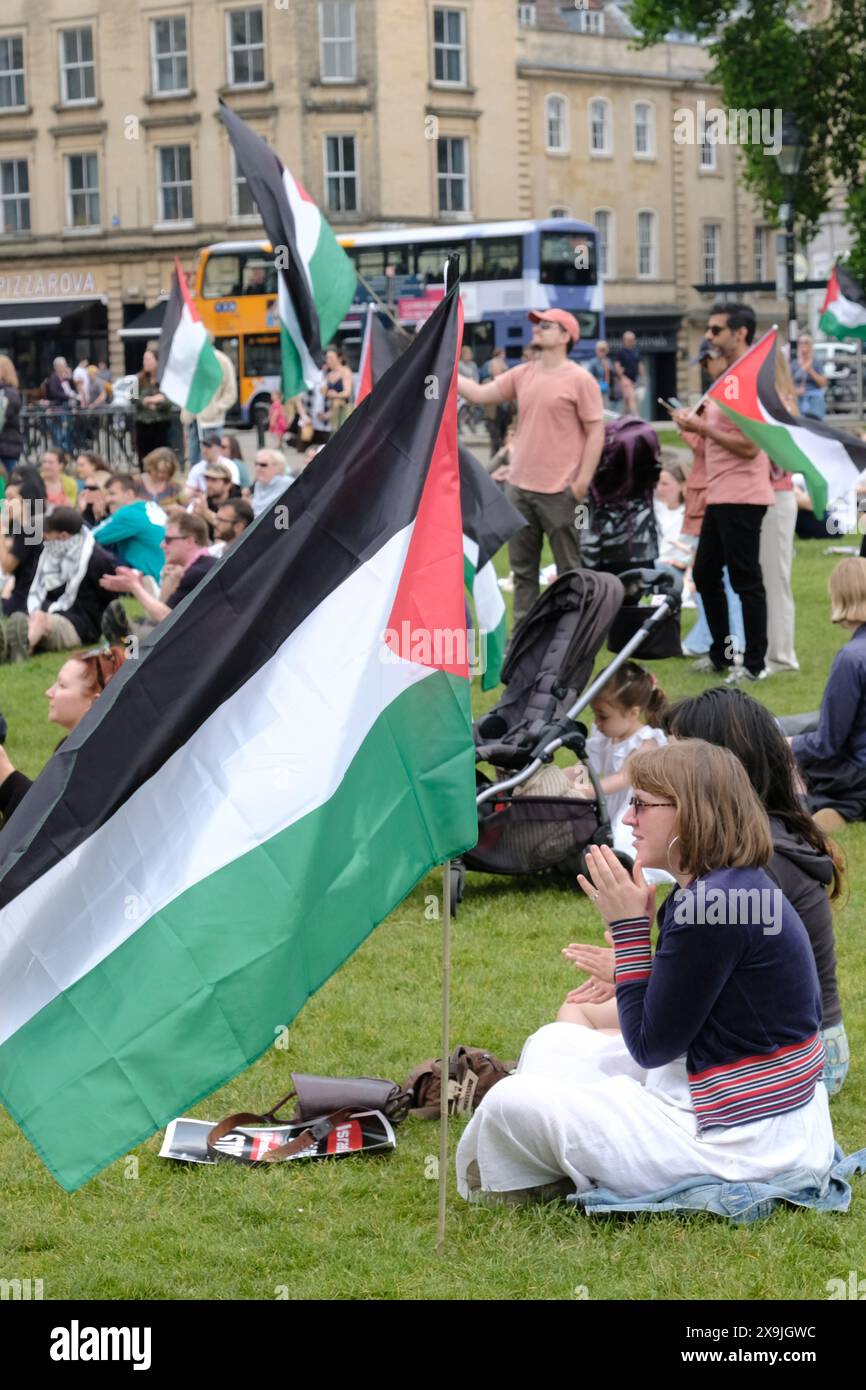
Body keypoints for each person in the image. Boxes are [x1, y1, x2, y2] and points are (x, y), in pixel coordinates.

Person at [457, 740, 835, 1206]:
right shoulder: (725, 888)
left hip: (742, 1138)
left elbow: (651, 1046)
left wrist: (629, 931)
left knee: (507, 1103)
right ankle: (562, 1162)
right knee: (551, 1043)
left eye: (640, 804)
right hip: (756, 1108)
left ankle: (545, 1175)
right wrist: (632, 958)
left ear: (691, 812)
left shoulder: (710, 905)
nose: (628, 819)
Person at [660, 687, 849, 1095]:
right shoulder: (753, 839)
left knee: (592, 1029)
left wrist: (635, 963)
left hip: (796, 1058)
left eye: (673, 761)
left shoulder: (755, 862)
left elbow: (683, 1011)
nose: (660, 774)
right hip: (796, 1041)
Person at [456, 308, 605, 630]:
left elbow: (596, 431)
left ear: (565, 336)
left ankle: (570, 637)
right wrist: (446, 369)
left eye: (546, 326)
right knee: (523, 573)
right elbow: (480, 395)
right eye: (537, 325)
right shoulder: (523, 373)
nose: (537, 330)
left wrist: (581, 483)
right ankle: (522, 639)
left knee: (569, 572)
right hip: (520, 489)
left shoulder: (581, 379)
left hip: (561, 492)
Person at [671, 302, 773, 683]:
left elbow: (750, 446)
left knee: (745, 579)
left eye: (716, 330)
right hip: (720, 493)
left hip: (742, 494)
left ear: (740, 333)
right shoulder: (727, 378)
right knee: (705, 573)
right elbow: (717, 436)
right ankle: (722, 654)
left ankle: (754, 664)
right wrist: (693, 424)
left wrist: (702, 429)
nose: (709, 335)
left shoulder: (747, 379)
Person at [781, 557, 866, 830]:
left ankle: (811, 807)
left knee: (783, 758)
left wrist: (785, 744)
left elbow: (827, 743)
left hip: (856, 770)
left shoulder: (851, 658)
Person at [0, 645, 127, 825]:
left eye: (62, 685)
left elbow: (49, 828)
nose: (49, 692)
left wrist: (6, 776)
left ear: (94, 702)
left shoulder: (90, 762)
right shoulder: (84, 748)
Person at [563, 661, 669, 877]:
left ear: (633, 713)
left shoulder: (645, 741)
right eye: (595, 715)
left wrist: (586, 791)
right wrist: (564, 779)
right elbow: (587, 765)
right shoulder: (606, 735)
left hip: (635, 808)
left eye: (603, 716)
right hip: (611, 804)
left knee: (621, 842)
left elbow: (624, 778)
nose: (597, 722)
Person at [677, 339, 745, 654]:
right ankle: (716, 641)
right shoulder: (716, 395)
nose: (705, 369)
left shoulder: (727, 394)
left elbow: (720, 446)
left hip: (715, 491)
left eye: (707, 362)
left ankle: (727, 641)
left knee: (722, 575)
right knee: (707, 573)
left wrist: (693, 429)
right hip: (706, 489)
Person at [0, 507, 117, 662]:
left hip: (80, 627)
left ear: (63, 536)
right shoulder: (50, 553)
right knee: (26, 619)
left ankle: (16, 653)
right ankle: (16, 645)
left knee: (39, 619)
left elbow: (110, 601)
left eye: (47, 532)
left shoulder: (97, 559)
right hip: (49, 615)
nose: (43, 535)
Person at [100, 511, 216, 641]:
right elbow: (161, 611)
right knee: (124, 615)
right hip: (196, 638)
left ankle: (126, 653)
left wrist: (134, 586)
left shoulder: (199, 572)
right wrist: (169, 580)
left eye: (168, 540)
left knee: (128, 627)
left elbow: (165, 619)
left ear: (190, 541)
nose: (162, 545)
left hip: (198, 641)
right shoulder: (203, 565)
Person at [759, 348, 800, 673]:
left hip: (777, 494)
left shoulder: (781, 403)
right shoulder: (776, 401)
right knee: (765, 578)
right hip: (765, 494)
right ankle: (770, 651)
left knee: (776, 578)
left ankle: (782, 655)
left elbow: (781, 456)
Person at [90, 473, 166, 584]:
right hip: (161, 577)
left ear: (129, 494)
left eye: (112, 494)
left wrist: (90, 516)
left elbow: (88, 539)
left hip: (147, 578)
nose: (107, 500)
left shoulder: (129, 512)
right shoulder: (151, 507)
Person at [181, 345, 237, 466]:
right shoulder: (189, 360)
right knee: (194, 460)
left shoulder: (222, 360)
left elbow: (231, 393)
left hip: (211, 420)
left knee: (212, 460)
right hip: (192, 418)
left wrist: (215, 408)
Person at [1, 467, 45, 616]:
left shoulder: (30, 530)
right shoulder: (29, 525)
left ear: (26, 501)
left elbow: (7, 566)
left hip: (24, 602)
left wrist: (1, 530)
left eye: (10, 498)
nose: (5, 503)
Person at [652, 459, 688, 585]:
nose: (659, 488)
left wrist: (684, 563)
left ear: (681, 486)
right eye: (657, 483)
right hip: (654, 566)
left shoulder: (688, 515)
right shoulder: (653, 510)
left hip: (676, 571)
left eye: (665, 484)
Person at [188, 461, 241, 540]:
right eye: (207, 479)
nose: (208, 484)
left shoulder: (238, 504)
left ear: (227, 484)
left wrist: (205, 512)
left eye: (214, 480)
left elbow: (231, 532)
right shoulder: (205, 500)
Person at [135, 348, 173, 459]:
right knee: (144, 456)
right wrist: (149, 400)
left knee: (161, 455)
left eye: (148, 359)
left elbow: (169, 400)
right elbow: (133, 398)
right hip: (143, 423)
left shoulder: (166, 378)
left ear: (157, 361)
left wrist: (155, 401)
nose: (145, 362)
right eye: (144, 359)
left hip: (161, 423)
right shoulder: (139, 379)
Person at [186, 430, 241, 495]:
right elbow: (189, 489)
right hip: (204, 499)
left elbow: (234, 489)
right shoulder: (197, 467)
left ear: (218, 448)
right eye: (203, 446)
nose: (204, 450)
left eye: (208, 446)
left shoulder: (229, 465)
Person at [792, 334, 828, 422]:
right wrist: (796, 391)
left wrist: (810, 371)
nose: (803, 345)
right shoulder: (794, 364)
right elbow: (787, 383)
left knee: (816, 420)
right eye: (800, 343)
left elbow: (823, 384)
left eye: (806, 342)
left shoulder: (817, 362)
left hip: (814, 397)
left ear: (811, 345)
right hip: (798, 397)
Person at [250, 448, 293, 517]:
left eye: (263, 465)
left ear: (278, 466)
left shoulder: (286, 483)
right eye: (256, 464)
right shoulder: (259, 484)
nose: (258, 468)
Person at [320, 346, 354, 435]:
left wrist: (336, 394)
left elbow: (347, 392)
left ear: (339, 358)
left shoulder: (345, 371)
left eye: (331, 358)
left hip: (343, 410)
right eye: (327, 358)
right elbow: (322, 393)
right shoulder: (328, 374)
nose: (328, 361)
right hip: (329, 411)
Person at [0, 354, 24, 476]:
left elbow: (3, 415)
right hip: (5, 446)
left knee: (9, 482)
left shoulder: (10, 393)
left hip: (6, 448)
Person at [614, 330, 642, 415]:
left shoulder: (636, 351)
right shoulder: (621, 352)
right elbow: (617, 365)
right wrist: (621, 377)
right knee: (632, 398)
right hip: (625, 379)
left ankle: (622, 418)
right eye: (629, 340)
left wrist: (642, 378)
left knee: (626, 402)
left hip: (634, 380)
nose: (631, 342)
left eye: (633, 340)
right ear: (625, 340)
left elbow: (639, 364)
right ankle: (637, 418)